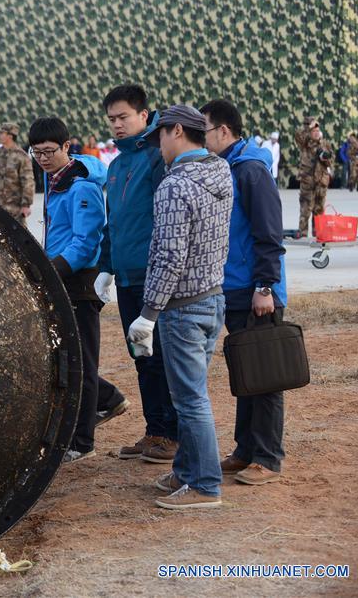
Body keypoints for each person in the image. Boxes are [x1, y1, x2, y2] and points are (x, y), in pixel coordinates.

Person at [131, 104, 232, 510]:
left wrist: (149, 313)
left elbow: (169, 256)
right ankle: (187, 471)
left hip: (182, 308)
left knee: (190, 400)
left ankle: (205, 485)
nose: (158, 144)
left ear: (175, 132)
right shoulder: (218, 172)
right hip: (211, 298)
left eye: (159, 135)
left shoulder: (174, 186)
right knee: (191, 396)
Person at [201, 99, 288, 487]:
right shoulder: (227, 168)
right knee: (244, 371)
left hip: (257, 289)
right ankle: (244, 449)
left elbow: (269, 233)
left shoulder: (251, 170)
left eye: (203, 131)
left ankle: (268, 456)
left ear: (223, 131)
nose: (199, 140)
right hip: (233, 287)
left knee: (265, 374)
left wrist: (265, 286)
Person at [29, 116, 125, 463]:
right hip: (62, 275)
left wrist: (53, 269)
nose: (42, 158)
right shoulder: (54, 180)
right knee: (69, 357)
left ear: (67, 147)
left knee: (81, 362)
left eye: (49, 151)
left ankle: (82, 443)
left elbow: (86, 240)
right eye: (37, 152)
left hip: (79, 280)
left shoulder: (81, 186)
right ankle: (109, 399)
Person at [97, 84, 178, 463]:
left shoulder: (156, 159)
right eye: (112, 119)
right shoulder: (116, 166)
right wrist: (106, 268)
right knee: (141, 356)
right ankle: (154, 430)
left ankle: (172, 434)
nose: (117, 125)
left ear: (144, 115)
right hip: (127, 278)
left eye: (123, 117)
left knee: (161, 357)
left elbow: (166, 220)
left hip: (154, 277)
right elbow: (115, 224)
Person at [0, 123, 34, 225]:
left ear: (10, 136)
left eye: (2, 133)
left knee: (17, 238)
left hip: (15, 209)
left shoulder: (22, 156)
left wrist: (26, 205)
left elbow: (28, 182)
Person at [295, 117, 332, 236]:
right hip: (308, 181)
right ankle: (303, 233)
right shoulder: (305, 143)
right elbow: (298, 135)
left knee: (319, 210)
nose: (316, 133)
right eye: (313, 131)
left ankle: (318, 233)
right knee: (305, 209)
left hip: (321, 182)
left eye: (318, 131)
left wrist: (324, 158)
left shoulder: (325, 144)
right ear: (310, 132)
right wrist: (309, 126)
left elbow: (331, 159)